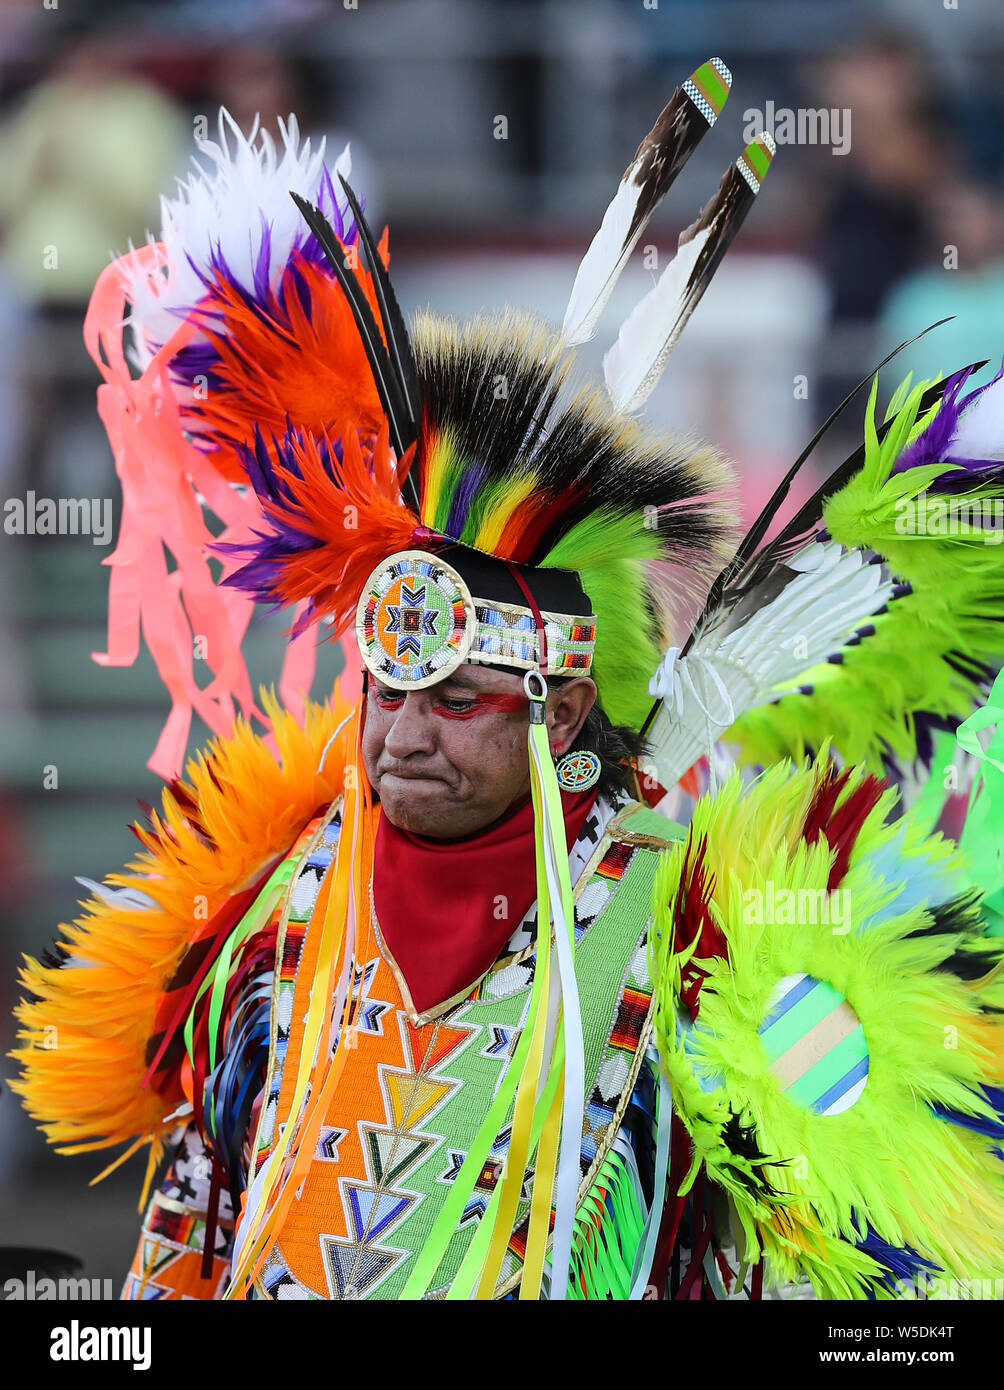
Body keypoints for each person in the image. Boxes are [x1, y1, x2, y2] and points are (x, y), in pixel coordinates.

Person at [12, 59, 1004, 1302]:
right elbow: (193, 1227)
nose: (404, 735)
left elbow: (818, 1250)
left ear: (564, 705)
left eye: (456, 701)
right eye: (385, 690)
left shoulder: (696, 944)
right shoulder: (268, 920)